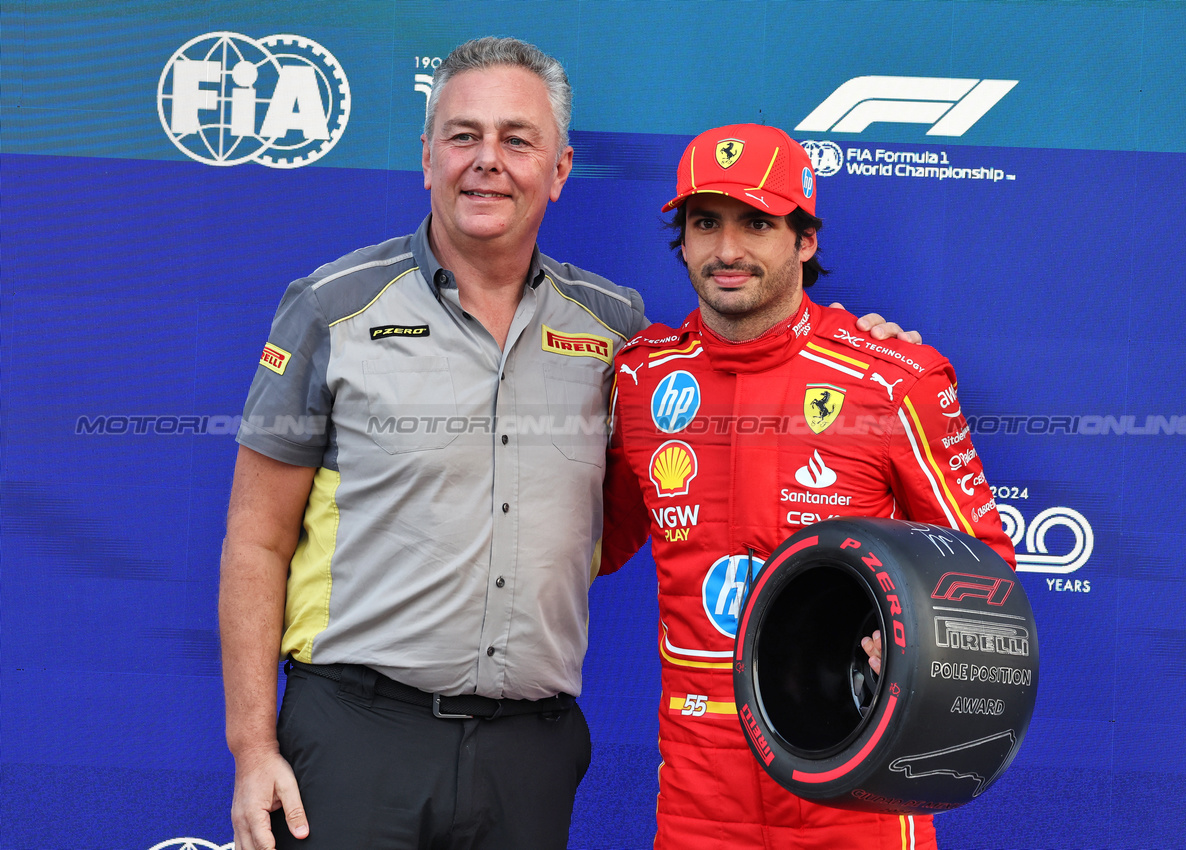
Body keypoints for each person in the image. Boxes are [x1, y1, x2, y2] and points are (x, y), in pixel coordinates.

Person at [220, 38, 918, 850]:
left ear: (557, 171)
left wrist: (870, 357)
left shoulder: (615, 331)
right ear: (425, 157)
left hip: (531, 750)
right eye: (462, 136)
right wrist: (253, 746)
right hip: (356, 730)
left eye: (517, 140)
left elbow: (649, 481)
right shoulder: (330, 308)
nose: (487, 162)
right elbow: (255, 542)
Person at [599, 124, 1017, 850]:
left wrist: (915, 644)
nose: (727, 251)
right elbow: (592, 545)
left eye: (757, 223)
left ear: (804, 240)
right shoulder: (638, 379)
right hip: (700, 796)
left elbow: (982, 569)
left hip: (852, 781)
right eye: (706, 224)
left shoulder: (891, 379)